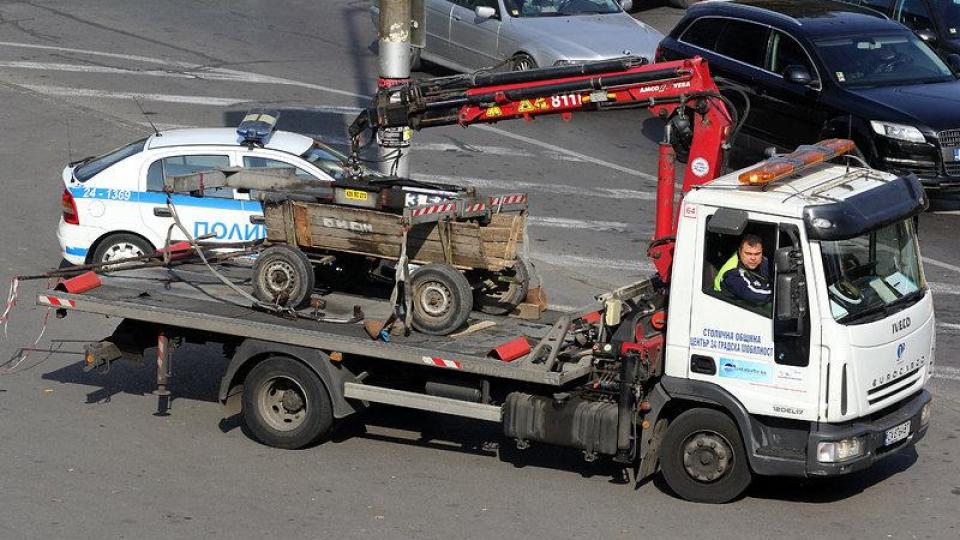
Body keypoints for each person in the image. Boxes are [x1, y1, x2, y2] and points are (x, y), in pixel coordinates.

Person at [713, 233, 772, 306]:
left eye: (757, 254)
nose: (753, 258)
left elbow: (770, 270)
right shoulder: (731, 273)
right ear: (740, 252)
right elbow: (755, 296)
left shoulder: (760, 260)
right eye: (748, 253)